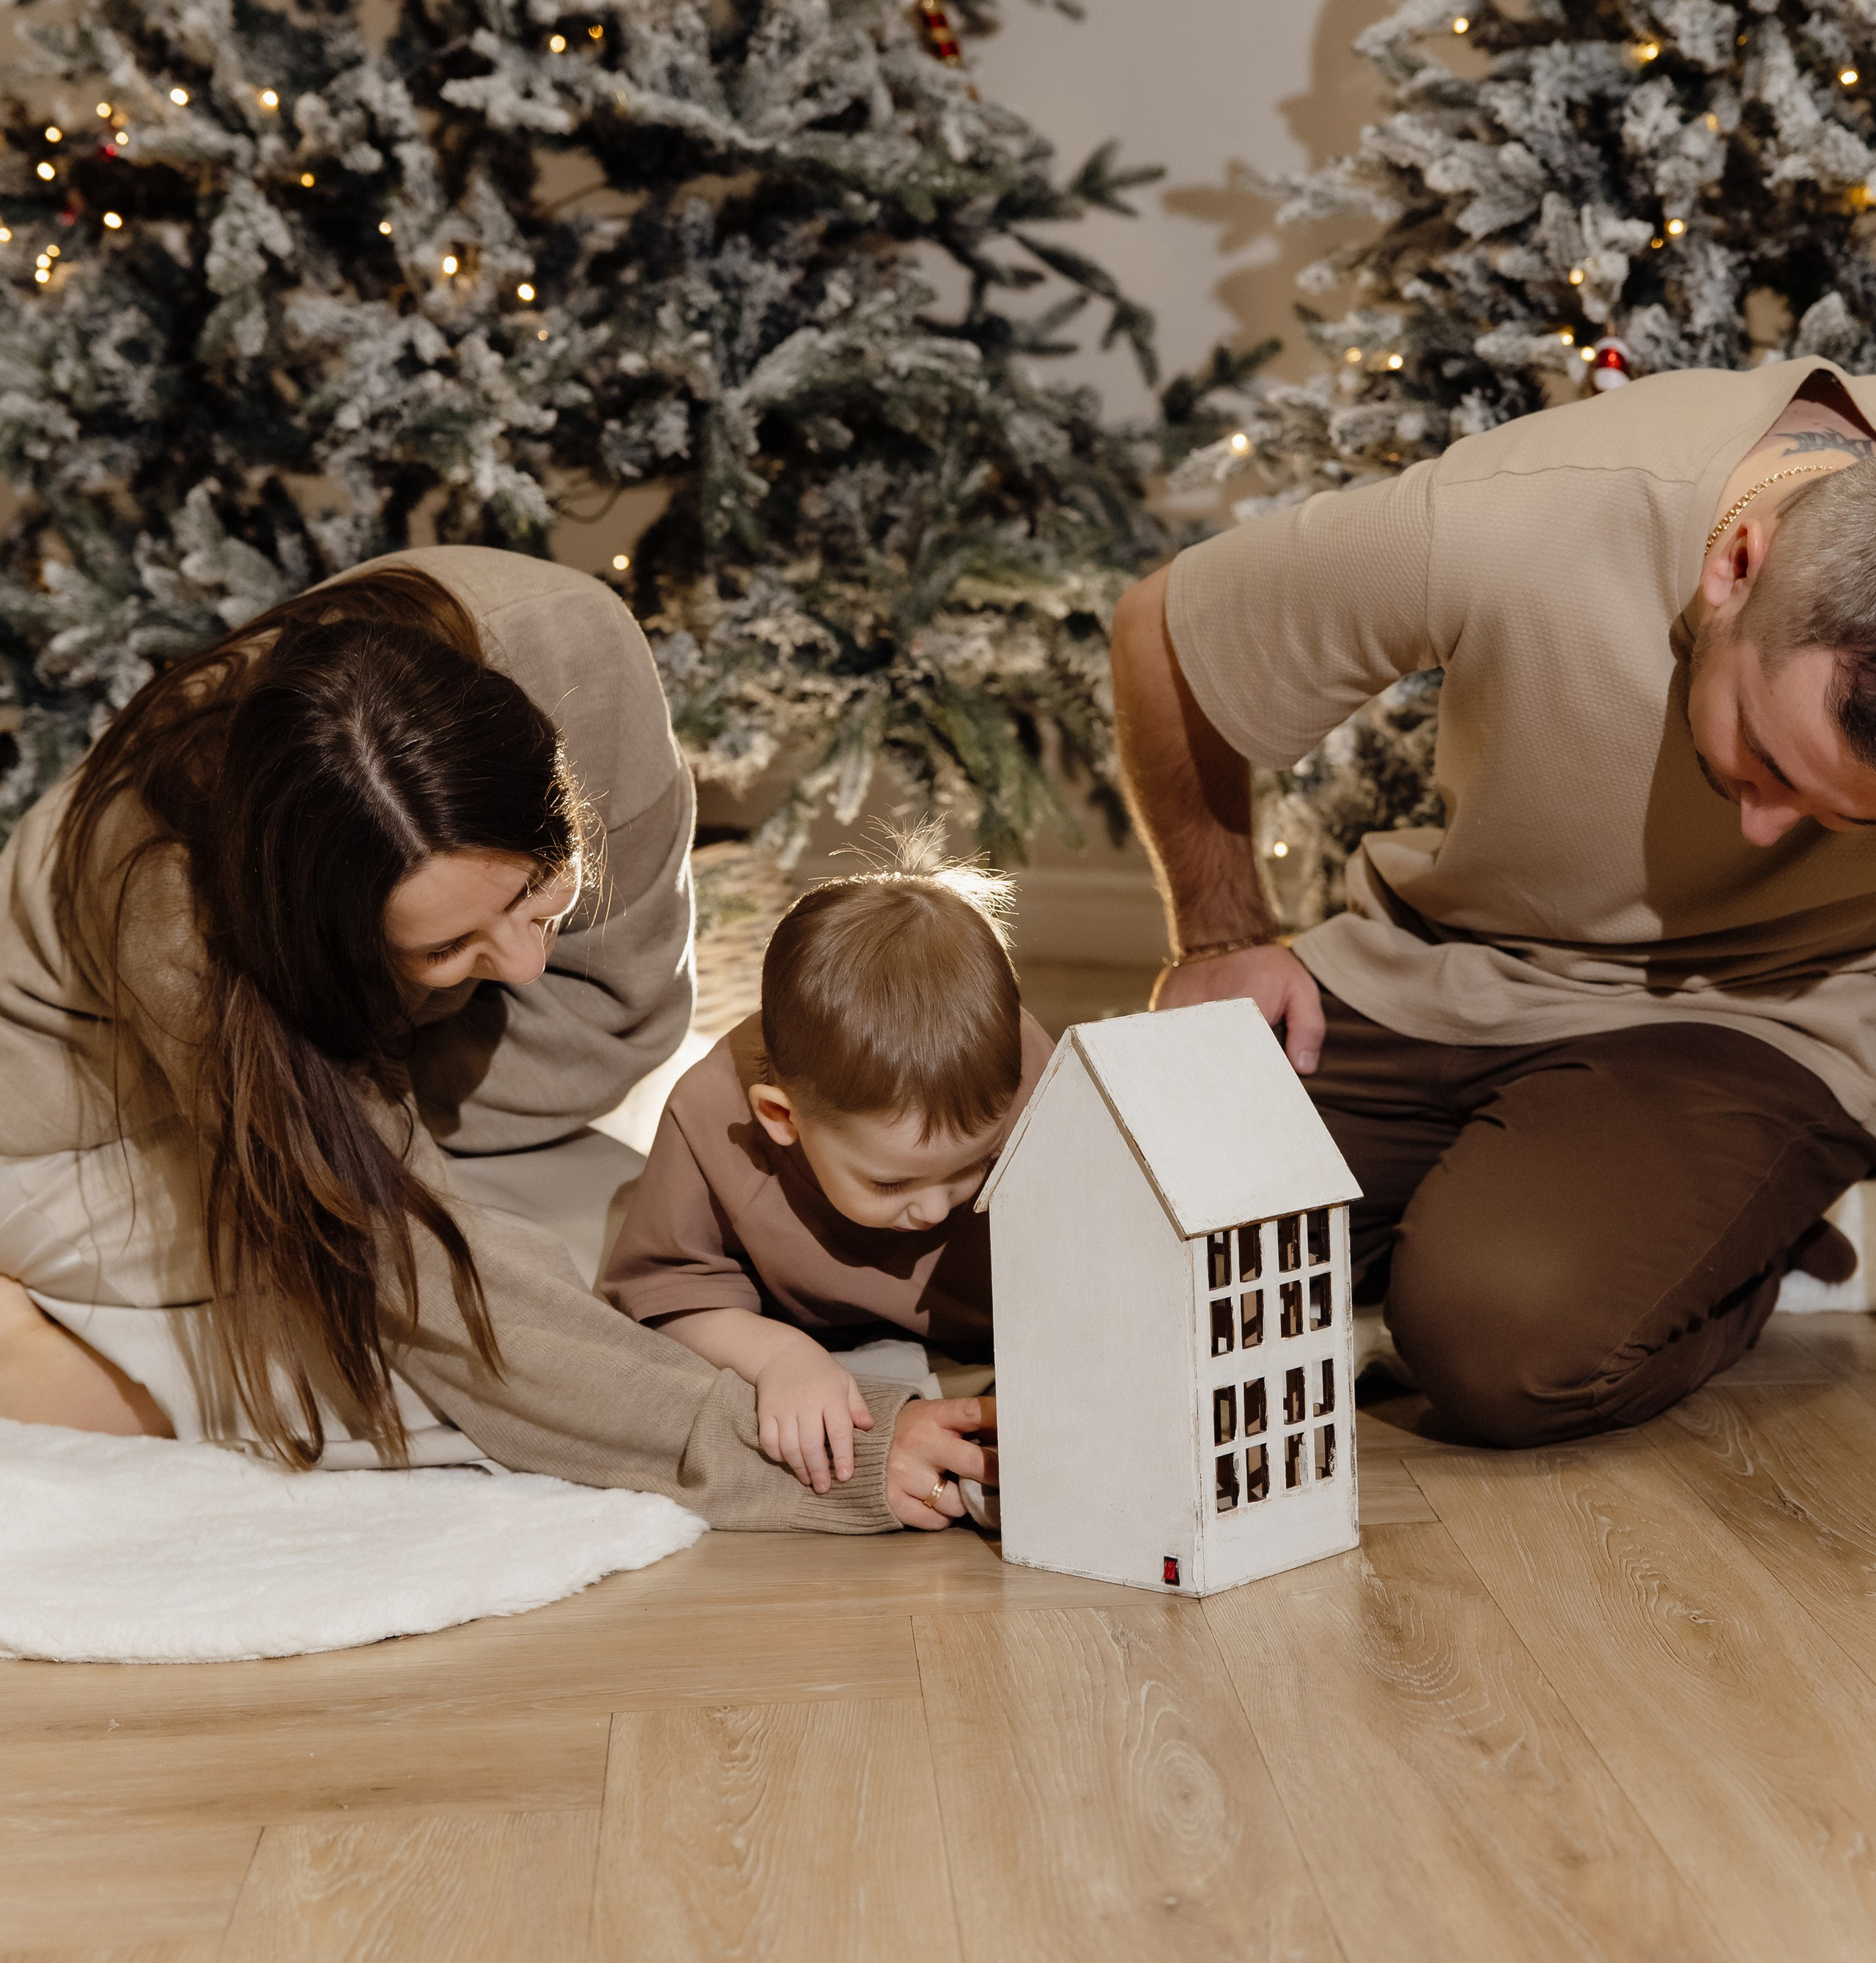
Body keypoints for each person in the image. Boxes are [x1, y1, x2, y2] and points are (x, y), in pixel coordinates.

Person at [0, 546, 983, 1530]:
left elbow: (614, 1027)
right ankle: (41, 1356)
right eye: (443, 948)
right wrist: (822, 1461)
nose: (522, 970)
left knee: (624, 1285)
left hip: (365, 1085)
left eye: (530, 891)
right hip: (82, 1133)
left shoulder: (570, 650)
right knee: (423, 1376)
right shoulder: (177, 909)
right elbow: (419, 1283)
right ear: (323, 940)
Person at [1110, 353, 1876, 1446]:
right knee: (1082, 1239)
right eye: (1763, 750)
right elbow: (1164, 634)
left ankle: (1752, 1238)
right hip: (1442, 969)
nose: (1761, 829)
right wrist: (1225, 935)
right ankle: (1553, 1208)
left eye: (1847, 818)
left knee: (1499, 1346)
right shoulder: (1534, 510)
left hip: (1764, 1018)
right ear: (1736, 565)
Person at [603, 863, 1050, 1509]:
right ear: (781, 1118)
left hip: (993, 1338)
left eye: (970, 1167)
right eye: (892, 1181)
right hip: (821, 1340)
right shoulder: (709, 1115)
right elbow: (664, 1297)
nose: (933, 1208)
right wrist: (779, 1357)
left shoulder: (1028, 1073)